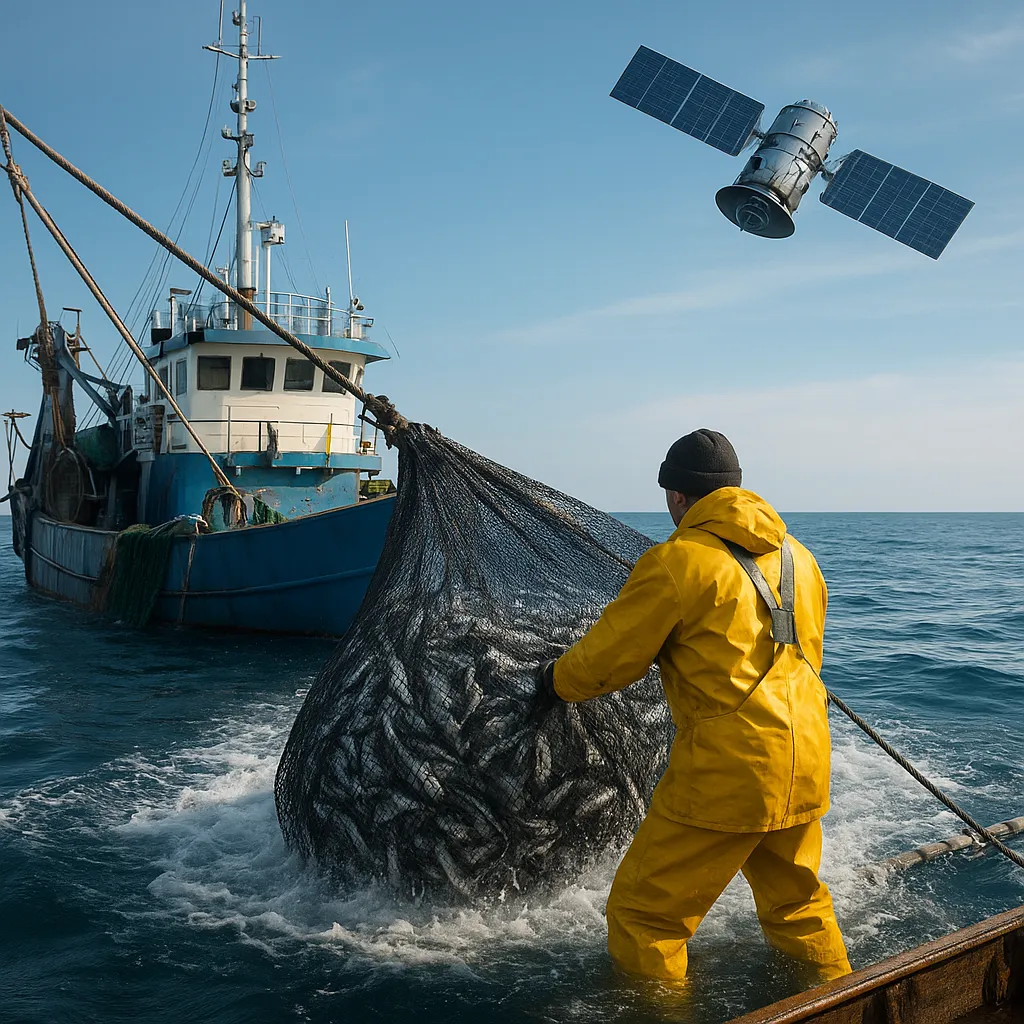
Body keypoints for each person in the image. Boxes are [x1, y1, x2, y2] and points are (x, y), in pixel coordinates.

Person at [540, 428, 852, 985]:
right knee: (798, 906)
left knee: (644, 919)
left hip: (728, 774)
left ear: (678, 496)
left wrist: (553, 683)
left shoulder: (677, 561)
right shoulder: (800, 558)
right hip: (805, 762)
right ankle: (844, 1003)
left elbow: (609, 660)